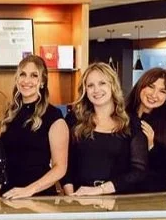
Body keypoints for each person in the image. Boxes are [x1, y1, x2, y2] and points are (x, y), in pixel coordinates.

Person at [63, 62, 147, 196]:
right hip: (80, 200)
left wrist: (99, 190)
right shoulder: (73, 119)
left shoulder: (132, 122)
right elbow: (64, 164)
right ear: (85, 90)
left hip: (119, 203)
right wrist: (71, 196)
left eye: (102, 83)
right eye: (90, 85)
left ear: (113, 86)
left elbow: (138, 171)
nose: (96, 90)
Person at [0, 55, 69, 198]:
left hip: (38, 198)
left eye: (34, 75)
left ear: (42, 81)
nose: (26, 80)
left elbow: (60, 168)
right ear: (17, 79)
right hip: (8, 196)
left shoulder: (54, 116)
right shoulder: (11, 114)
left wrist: (29, 190)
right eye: (22, 74)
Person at [125, 67, 166, 192]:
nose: (154, 95)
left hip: (155, 197)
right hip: (119, 196)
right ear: (141, 86)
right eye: (151, 86)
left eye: (162, 91)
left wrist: (152, 147)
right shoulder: (120, 118)